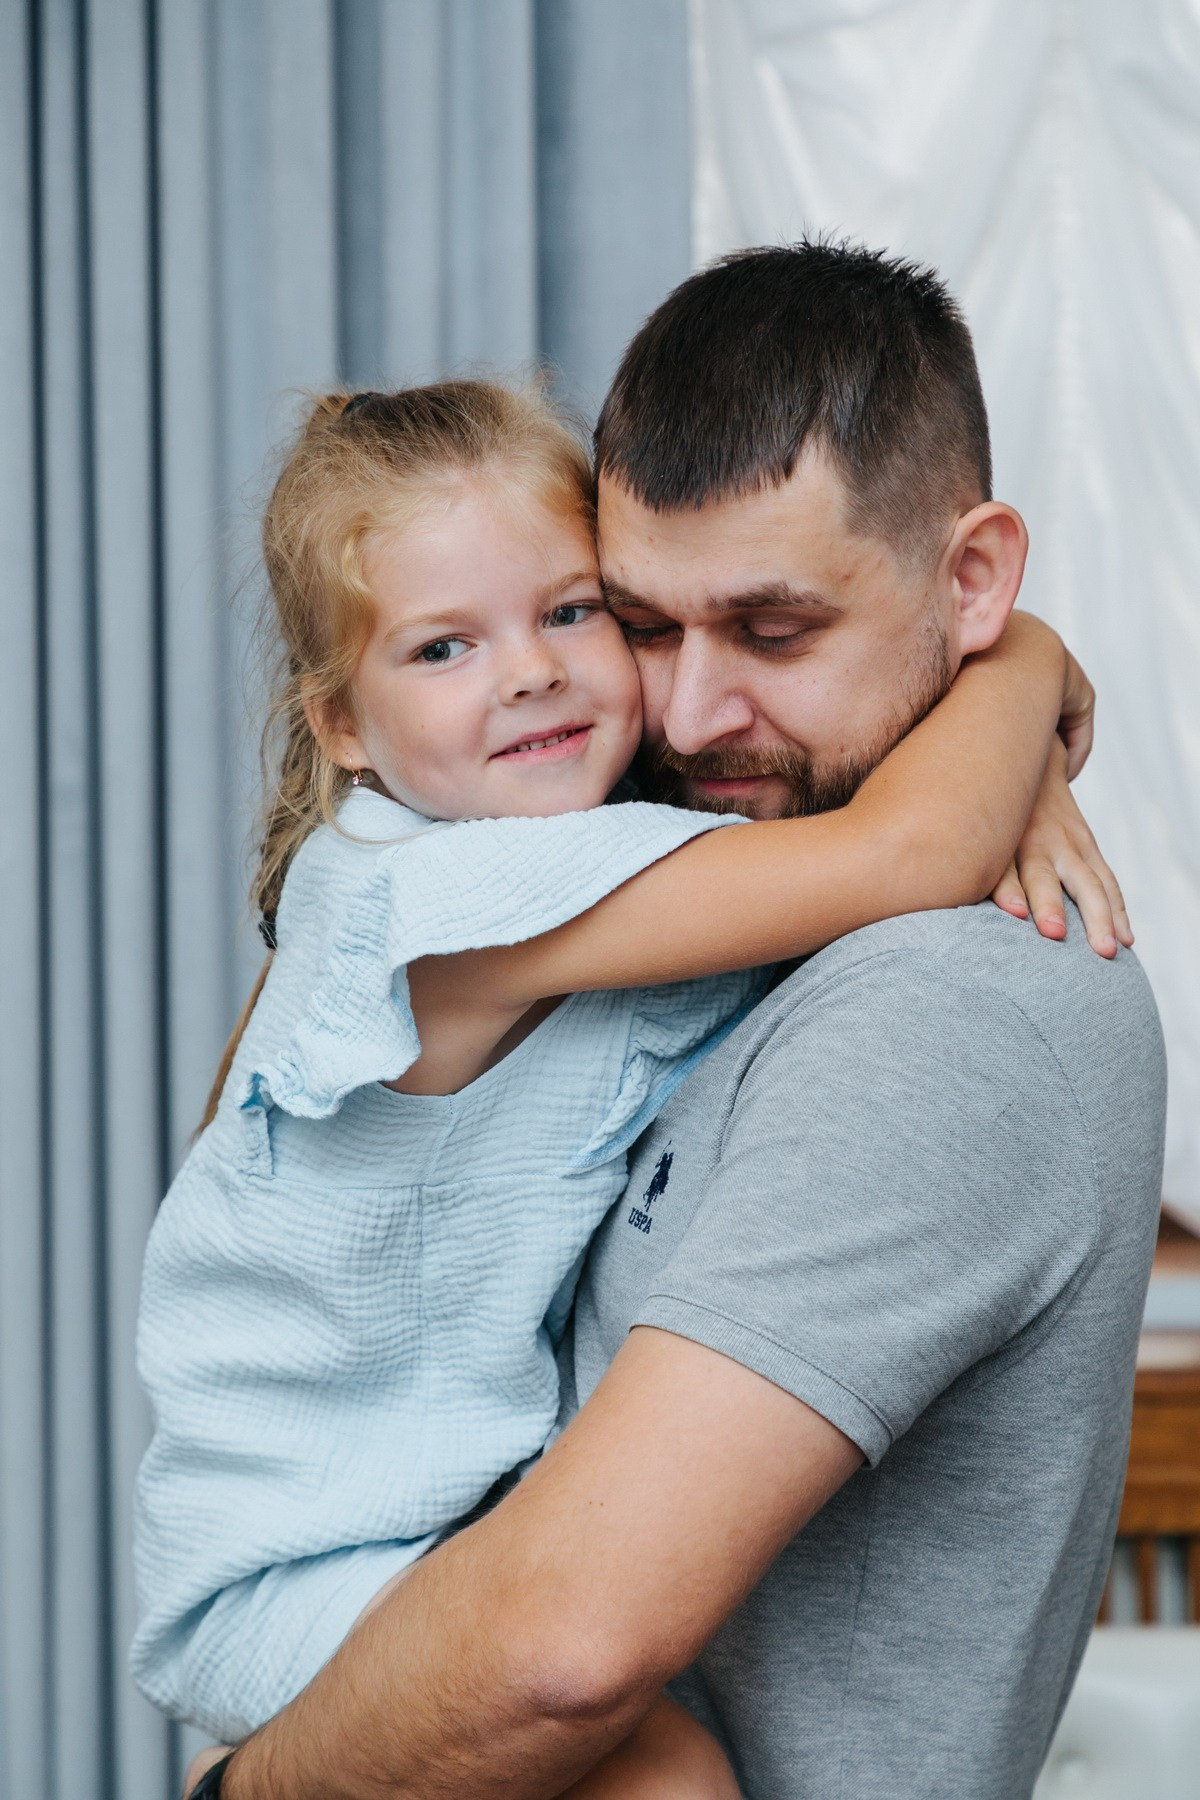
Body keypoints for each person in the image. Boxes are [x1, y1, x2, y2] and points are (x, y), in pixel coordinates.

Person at [185, 243, 1166, 1800]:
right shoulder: (575, 866)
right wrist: (1020, 684)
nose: (688, 717)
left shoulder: (963, 1003)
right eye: (642, 624)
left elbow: (562, 1651)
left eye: (773, 633)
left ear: (970, 577)